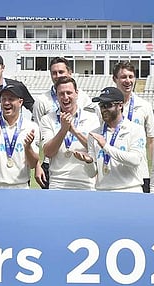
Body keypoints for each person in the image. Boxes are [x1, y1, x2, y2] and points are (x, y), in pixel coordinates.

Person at [32, 57, 96, 189]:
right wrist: (63, 130)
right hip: (58, 182)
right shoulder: (47, 119)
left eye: (69, 93)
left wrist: (74, 131)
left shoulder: (91, 117)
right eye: (61, 94)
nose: (65, 97)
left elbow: (96, 149)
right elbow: (48, 152)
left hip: (86, 181)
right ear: (56, 95)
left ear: (77, 93)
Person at [73, 87, 145, 192]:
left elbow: (135, 160)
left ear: (120, 105)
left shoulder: (135, 129)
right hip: (103, 191)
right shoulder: (95, 134)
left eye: (108, 105)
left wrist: (106, 147)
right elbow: (92, 173)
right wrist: (88, 162)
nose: (104, 109)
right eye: (101, 106)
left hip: (129, 190)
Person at [0, 83, 40, 188]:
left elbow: (33, 164)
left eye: (11, 99)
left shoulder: (31, 127)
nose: (6, 103)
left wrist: (28, 147)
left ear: (20, 102)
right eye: (4, 99)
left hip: (20, 186)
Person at [111, 60, 154, 193]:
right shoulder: (105, 107)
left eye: (131, 77)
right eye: (123, 77)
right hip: (114, 171)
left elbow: (151, 141)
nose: (128, 81)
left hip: (140, 172)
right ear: (115, 79)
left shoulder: (145, 106)